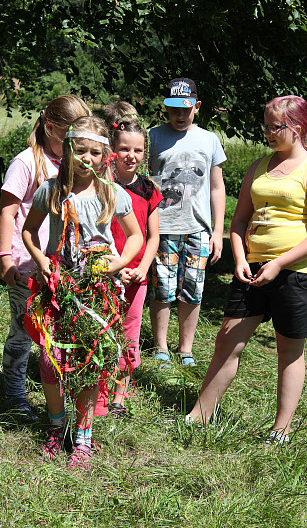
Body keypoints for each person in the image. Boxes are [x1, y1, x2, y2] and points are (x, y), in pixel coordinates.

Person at [22, 115, 143, 468]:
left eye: (94, 152)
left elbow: (135, 236)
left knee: (88, 365)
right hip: (60, 287)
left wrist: (117, 266)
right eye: (80, 150)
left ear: (106, 155)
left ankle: (84, 437)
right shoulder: (51, 190)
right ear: (68, 150)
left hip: (96, 294)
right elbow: (30, 231)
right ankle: (57, 428)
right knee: (49, 359)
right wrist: (40, 259)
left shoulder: (112, 193)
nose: (85, 159)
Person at [188, 96, 307, 444]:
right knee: (226, 340)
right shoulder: (259, 167)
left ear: (297, 128)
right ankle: (197, 416)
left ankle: (280, 431)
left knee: (289, 350)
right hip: (251, 269)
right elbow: (239, 220)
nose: (268, 132)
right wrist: (239, 258)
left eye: (276, 126)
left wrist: (280, 263)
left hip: (295, 273)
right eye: (266, 126)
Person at [0, 96, 91, 422]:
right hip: (25, 264)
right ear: (50, 127)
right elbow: (8, 213)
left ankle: (52, 386)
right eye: (70, 138)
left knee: (52, 331)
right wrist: (4, 257)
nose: (76, 146)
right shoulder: (26, 163)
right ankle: (14, 392)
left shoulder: (69, 165)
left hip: (58, 267)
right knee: (23, 331)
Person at [148, 77, 226, 366]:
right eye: (173, 110)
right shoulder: (152, 137)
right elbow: (143, 183)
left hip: (198, 229)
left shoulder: (209, 140)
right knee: (162, 288)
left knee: (192, 289)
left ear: (197, 106)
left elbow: (217, 187)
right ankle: (160, 347)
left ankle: (186, 349)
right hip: (162, 228)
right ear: (165, 108)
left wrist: (218, 231)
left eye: (186, 109)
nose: (179, 116)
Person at [96, 101, 163, 417]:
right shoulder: (101, 187)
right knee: (100, 331)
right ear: (113, 148)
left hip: (136, 278)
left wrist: (142, 269)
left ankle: (119, 397)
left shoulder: (149, 189)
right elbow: (95, 232)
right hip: (104, 272)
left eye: (137, 150)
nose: (130, 156)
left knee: (129, 336)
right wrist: (114, 265)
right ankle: (96, 394)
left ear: (144, 153)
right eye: (124, 149)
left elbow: (153, 238)